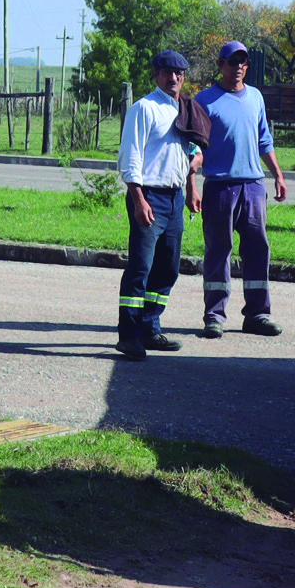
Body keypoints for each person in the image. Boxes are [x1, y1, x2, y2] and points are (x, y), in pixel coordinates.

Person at [188, 40, 287, 338]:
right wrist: (192, 186)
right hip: (220, 186)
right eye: (233, 62)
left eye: (243, 62)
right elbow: (195, 148)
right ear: (221, 65)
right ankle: (214, 316)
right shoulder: (204, 100)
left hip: (254, 186)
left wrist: (278, 176)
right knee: (219, 251)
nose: (239, 68)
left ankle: (257, 314)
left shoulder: (255, 97)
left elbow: (264, 140)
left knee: (258, 249)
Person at [112, 49, 200, 361]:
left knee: (168, 269)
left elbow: (188, 152)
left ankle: (150, 328)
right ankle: (129, 335)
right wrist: (138, 199)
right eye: (167, 72)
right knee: (140, 268)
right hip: (148, 196)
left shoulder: (184, 108)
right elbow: (130, 157)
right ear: (156, 75)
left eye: (179, 73)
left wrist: (191, 188)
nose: (173, 78)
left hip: (175, 197)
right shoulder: (144, 108)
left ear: (184, 78)